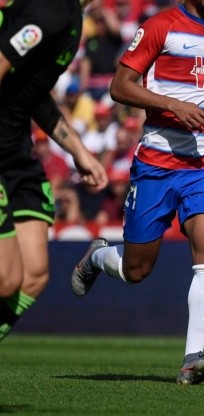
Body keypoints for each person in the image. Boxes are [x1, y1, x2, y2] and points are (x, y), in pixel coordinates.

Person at [69, 0, 204, 385]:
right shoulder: (162, 25)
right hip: (156, 165)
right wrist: (172, 104)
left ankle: (192, 360)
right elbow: (120, 85)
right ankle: (99, 255)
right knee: (136, 269)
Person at [0, 0, 108, 343]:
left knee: (32, 276)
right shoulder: (51, 8)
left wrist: (79, 152)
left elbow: (33, 96)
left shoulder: (71, 16)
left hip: (17, 152)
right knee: (6, 278)